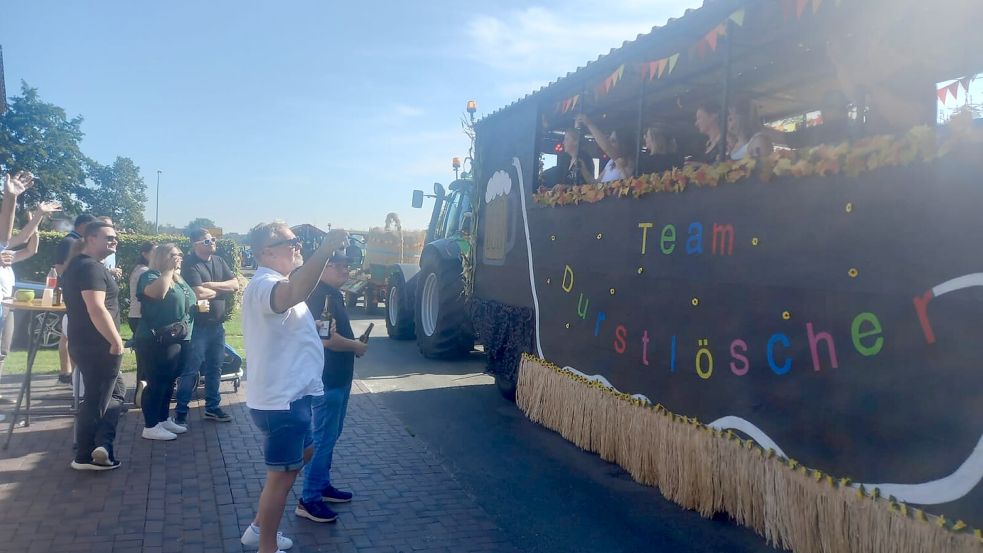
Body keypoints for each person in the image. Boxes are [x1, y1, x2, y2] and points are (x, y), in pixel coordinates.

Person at [239, 222, 347, 553]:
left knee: (305, 453)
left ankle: (260, 530)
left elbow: (287, 316)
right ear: (265, 252)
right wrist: (326, 247)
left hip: (295, 398)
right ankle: (265, 545)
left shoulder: (278, 284)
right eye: (290, 242)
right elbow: (294, 293)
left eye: (299, 242)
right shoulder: (265, 284)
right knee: (281, 478)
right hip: (281, 402)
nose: (297, 247)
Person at [297, 252, 368, 523]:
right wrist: (355, 346)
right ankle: (309, 498)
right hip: (327, 379)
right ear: (322, 268)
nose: (345, 270)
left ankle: (322, 485)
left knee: (331, 435)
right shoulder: (319, 295)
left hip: (338, 377)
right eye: (337, 265)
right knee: (323, 439)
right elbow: (326, 339)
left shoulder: (331, 293)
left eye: (346, 265)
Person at [61, 221, 124, 471]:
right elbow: (96, 308)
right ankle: (86, 455)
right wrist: (116, 341)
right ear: (90, 239)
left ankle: (102, 445)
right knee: (96, 398)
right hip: (99, 345)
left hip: (83, 342)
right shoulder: (90, 268)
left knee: (113, 392)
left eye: (115, 237)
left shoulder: (78, 265)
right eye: (108, 237)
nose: (114, 241)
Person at [0, 172, 60, 414]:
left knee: (3, 352)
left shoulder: (5, 253)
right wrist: (10, 197)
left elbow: (26, 242)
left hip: (6, 306)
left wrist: (37, 216)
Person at [175, 228, 239, 425]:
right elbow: (198, 293)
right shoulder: (189, 264)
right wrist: (218, 287)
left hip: (217, 327)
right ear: (195, 244)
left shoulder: (219, 261)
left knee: (215, 368)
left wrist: (210, 284)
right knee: (191, 370)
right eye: (207, 241)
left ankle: (212, 408)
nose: (212, 242)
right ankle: (181, 412)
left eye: (212, 239)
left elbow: (235, 284)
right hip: (198, 328)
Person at [134, 244, 195, 441]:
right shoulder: (150, 275)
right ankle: (150, 425)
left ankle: (162, 418)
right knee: (156, 381)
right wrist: (168, 270)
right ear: (163, 257)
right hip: (156, 339)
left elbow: (185, 300)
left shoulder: (178, 278)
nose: (179, 258)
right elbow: (158, 293)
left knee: (169, 380)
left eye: (180, 255)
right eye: (174, 255)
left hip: (179, 337)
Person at [55, 213, 97, 385]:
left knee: (69, 335)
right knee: (70, 335)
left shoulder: (77, 241)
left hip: (78, 293)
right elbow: (60, 267)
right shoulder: (70, 242)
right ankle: (70, 374)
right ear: (82, 225)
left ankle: (72, 375)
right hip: (75, 295)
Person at [128, 241, 155, 406]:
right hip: (140, 317)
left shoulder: (139, 269)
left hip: (136, 316)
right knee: (145, 359)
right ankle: (142, 397)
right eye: (154, 252)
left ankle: (141, 395)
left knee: (144, 358)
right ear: (145, 254)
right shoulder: (144, 272)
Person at [575, 113, 635, 181]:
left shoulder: (629, 162)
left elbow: (626, 185)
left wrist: (589, 124)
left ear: (623, 145)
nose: (609, 143)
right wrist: (583, 169)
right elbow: (595, 184)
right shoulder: (610, 162)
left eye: (613, 141)